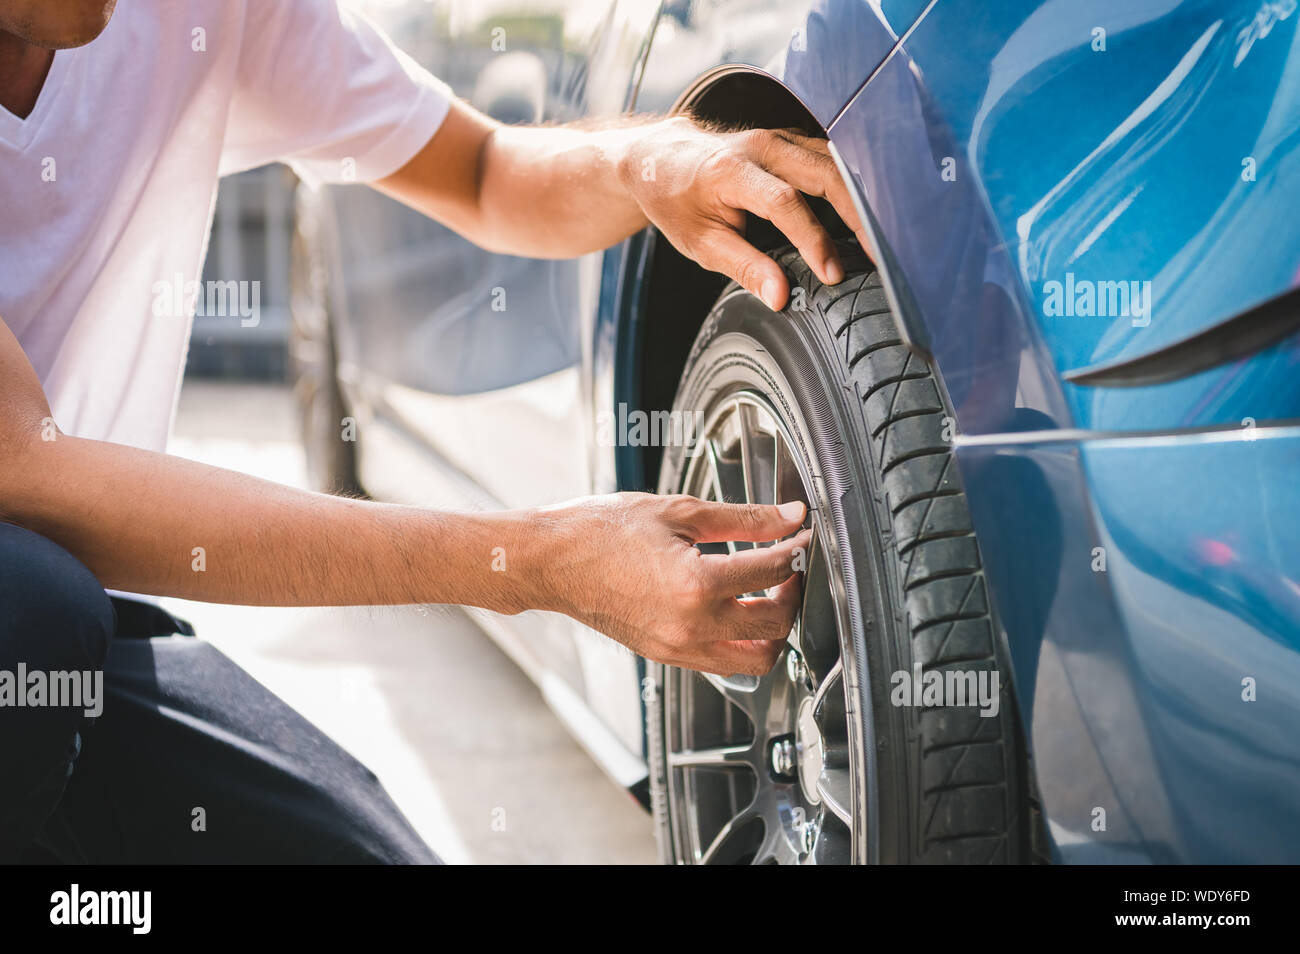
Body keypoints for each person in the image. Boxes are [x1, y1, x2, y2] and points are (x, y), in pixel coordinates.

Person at [0, 0, 865, 863]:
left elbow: (481, 170)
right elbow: (23, 473)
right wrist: (537, 560)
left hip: (87, 623)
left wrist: (642, 162)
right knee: (32, 609)